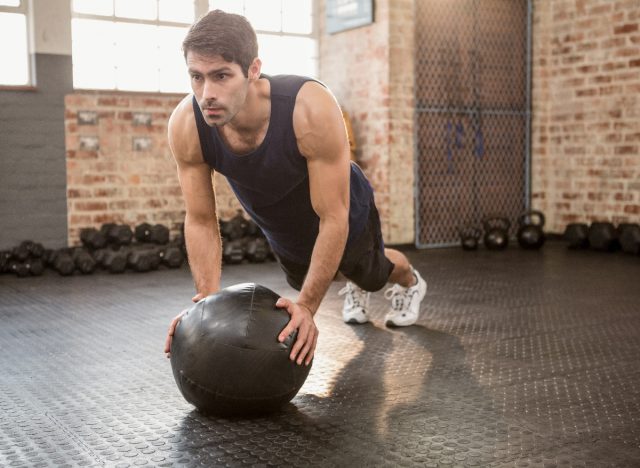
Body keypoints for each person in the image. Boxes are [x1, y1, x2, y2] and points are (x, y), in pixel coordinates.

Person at [163, 10, 427, 367]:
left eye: (221, 76)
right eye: (196, 77)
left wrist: (306, 308)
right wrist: (207, 307)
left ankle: (409, 281)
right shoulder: (187, 124)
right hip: (280, 222)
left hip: (340, 205)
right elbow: (200, 219)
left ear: (253, 69)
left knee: (369, 274)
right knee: (318, 277)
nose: (206, 93)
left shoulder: (308, 107)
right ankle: (351, 280)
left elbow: (334, 216)